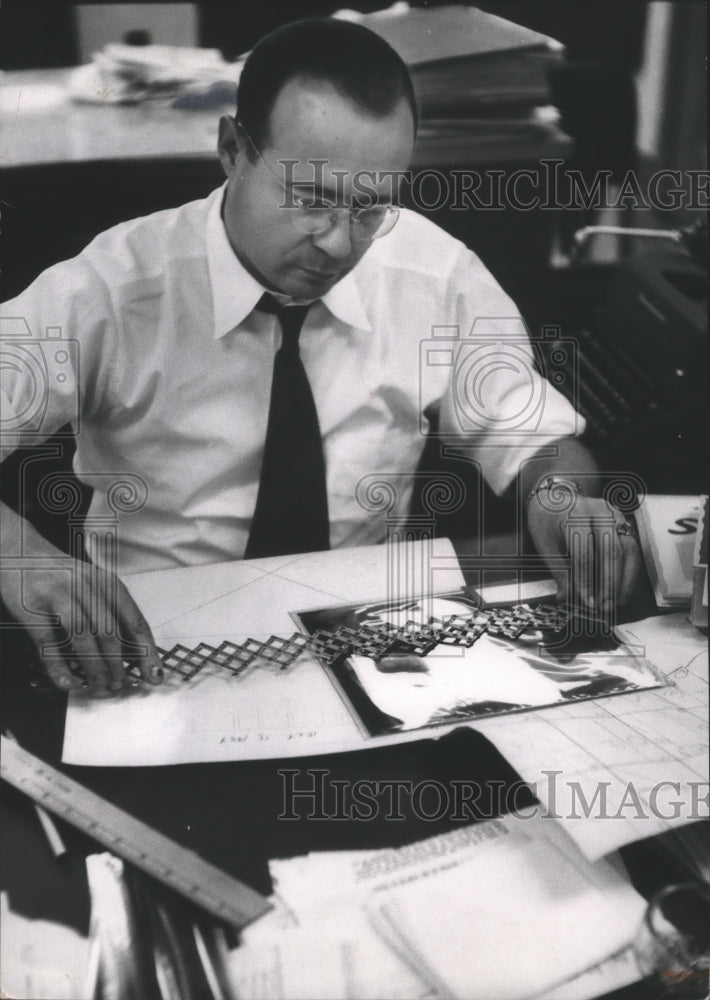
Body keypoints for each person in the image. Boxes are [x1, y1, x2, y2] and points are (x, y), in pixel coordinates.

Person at [0, 18, 640, 697]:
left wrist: (560, 499)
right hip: (152, 642)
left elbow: (537, 439)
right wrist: (19, 557)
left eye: (370, 208)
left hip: (366, 642)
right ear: (231, 150)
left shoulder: (433, 275)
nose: (338, 243)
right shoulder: (115, 288)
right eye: (311, 199)